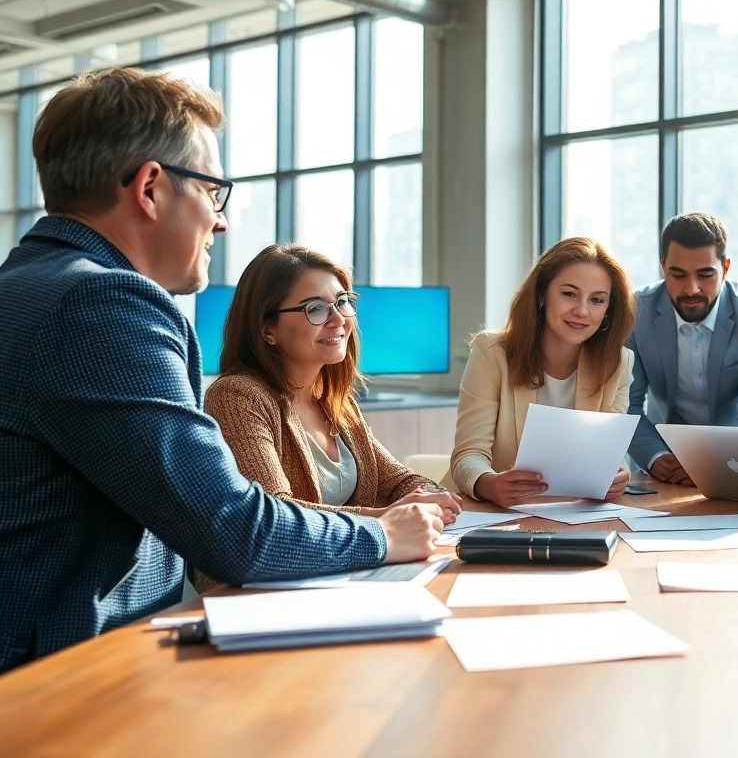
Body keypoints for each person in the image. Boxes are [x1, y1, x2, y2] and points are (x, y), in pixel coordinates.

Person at [0, 69, 442, 672]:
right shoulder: (101, 304)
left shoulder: (25, 286)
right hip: (58, 681)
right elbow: (232, 530)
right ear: (150, 187)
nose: (221, 221)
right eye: (213, 192)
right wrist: (384, 535)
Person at [200, 245, 463, 588]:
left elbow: (395, 481)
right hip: (258, 594)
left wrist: (432, 498)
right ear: (268, 330)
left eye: (342, 302)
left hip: (343, 577)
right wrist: (383, 521)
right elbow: (273, 515)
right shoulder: (236, 397)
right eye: (316, 309)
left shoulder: (336, 402)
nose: (339, 319)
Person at [451, 237, 637, 506]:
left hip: (575, 514)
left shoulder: (618, 363)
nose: (582, 311)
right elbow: (468, 454)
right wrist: (490, 484)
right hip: (494, 514)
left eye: (597, 300)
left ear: (609, 310)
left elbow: (611, 452)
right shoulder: (492, 352)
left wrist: (619, 475)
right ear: (541, 294)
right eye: (569, 294)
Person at [626, 213, 738, 484]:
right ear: (663, 266)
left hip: (736, 459)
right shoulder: (637, 311)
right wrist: (654, 456)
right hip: (666, 464)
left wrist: (710, 462)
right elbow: (629, 405)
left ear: (726, 268)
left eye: (705, 275)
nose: (691, 289)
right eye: (678, 274)